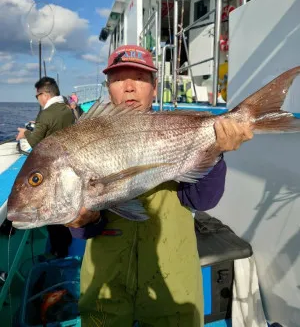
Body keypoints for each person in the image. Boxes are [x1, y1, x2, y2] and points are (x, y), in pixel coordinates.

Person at [67, 45, 254, 326]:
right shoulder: (86, 136)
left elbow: (203, 200)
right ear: (109, 89)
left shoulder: (175, 130)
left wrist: (214, 153)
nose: (129, 87)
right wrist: (81, 220)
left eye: (140, 79)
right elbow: (84, 230)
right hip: (107, 282)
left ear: (154, 88)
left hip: (171, 279)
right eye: (119, 79)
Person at [16, 77, 74, 258]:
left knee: (52, 212)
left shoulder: (46, 114)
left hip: (51, 169)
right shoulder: (67, 110)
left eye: (37, 96)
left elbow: (37, 142)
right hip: (68, 164)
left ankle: (58, 251)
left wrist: (25, 132)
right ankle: (66, 243)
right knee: (64, 205)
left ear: (45, 94)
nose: (38, 100)